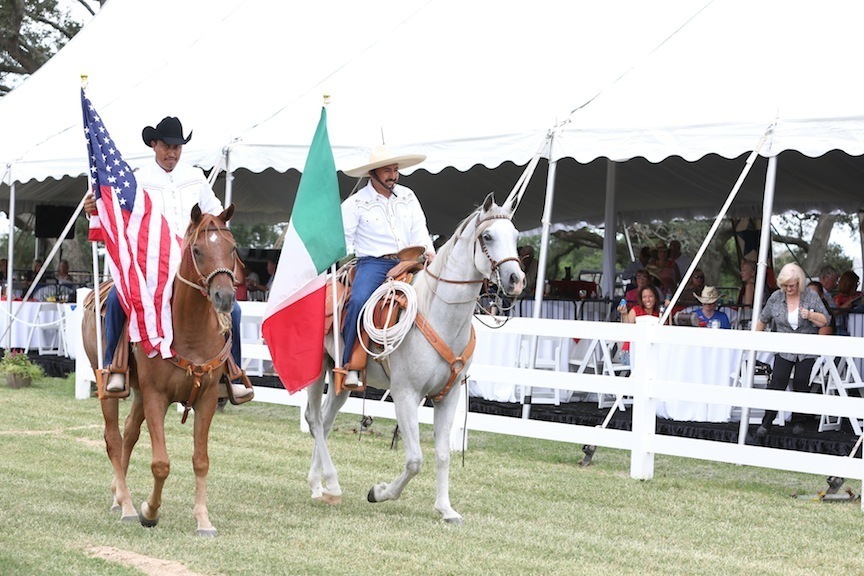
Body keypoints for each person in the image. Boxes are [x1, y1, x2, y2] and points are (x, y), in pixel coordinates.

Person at [84, 116, 251, 401]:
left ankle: (231, 372)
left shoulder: (195, 177)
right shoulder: (137, 178)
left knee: (232, 310)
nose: (172, 152)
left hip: (191, 265)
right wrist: (94, 206)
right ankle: (117, 365)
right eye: (166, 146)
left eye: (177, 147)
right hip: (149, 265)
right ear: (154, 144)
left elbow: (216, 213)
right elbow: (117, 211)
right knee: (116, 300)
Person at [340, 146, 435, 388]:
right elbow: (343, 239)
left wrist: (429, 251)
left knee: (434, 296)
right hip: (373, 263)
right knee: (359, 300)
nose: (393, 175)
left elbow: (419, 229)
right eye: (387, 171)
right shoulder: (356, 203)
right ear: (373, 173)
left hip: (411, 259)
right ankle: (350, 364)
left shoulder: (408, 196)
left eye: (395, 170)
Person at [754, 263, 830, 440]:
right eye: (785, 285)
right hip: (784, 347)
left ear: (799, 283)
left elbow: (825, 319)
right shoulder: (775, 297)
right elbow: (763, 318)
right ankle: (767, 422)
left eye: (792, 285)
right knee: (778, 380)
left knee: (801, 381)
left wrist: (810, 315)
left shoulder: (810, 296)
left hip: (806, 348)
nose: (788, 289)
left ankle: (799, 421)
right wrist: (755, 339)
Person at [617, 284, 663, 366]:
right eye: (644, 297)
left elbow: (666, 329)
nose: (647, 299)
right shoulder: (636, 310)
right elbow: (628, 329)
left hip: (651, 352)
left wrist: (669, 311)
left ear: (655, 298)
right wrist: (624, 314)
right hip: (631, 352)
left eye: (650, 296)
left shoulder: (658, 314)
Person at [832, 270, 861, 336]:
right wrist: (844, 307)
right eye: (855, 284)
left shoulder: (859, 295)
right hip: (843, 327)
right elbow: (832, 313)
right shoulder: (838, 299)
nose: (856, 286)